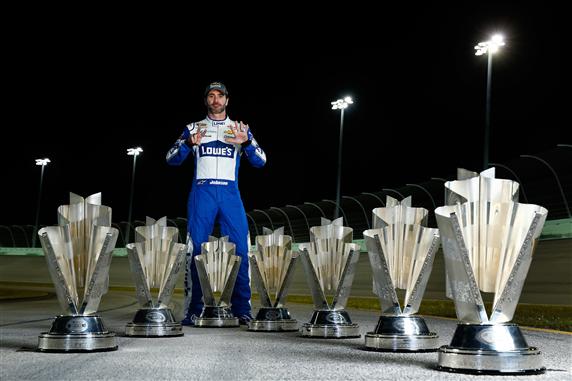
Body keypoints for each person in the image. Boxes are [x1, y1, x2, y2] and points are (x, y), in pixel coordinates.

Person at [166, 81, 266, 325]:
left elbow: (261, 161)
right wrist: (188, 143)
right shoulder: (193, 128)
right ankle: (194, 310)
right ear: (206, 100)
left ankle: (242, 310)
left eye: (220, 95)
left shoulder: (240, 128)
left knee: (241, 250)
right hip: (202, 192)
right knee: (196, 250)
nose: (215, 99)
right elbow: (171, 158)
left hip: (230, 193)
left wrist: (246, 143)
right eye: (211, 95)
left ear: (227, 100)